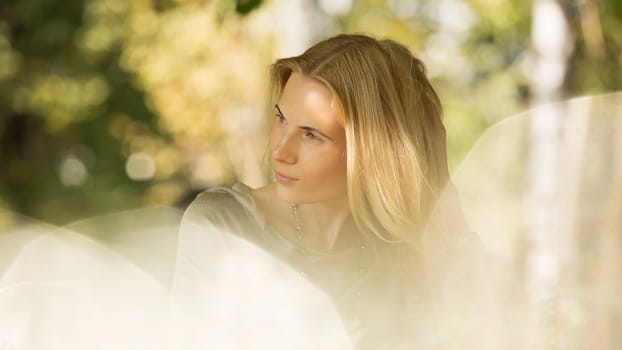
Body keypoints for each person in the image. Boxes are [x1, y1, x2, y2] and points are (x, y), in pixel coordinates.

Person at [172, 33, 481, 349]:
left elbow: (484, 318)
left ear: (372, 150)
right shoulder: (224, 226)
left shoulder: (396, 247)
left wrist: (439, 180)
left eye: (311, 136)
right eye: (281, 119)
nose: (281, 151)